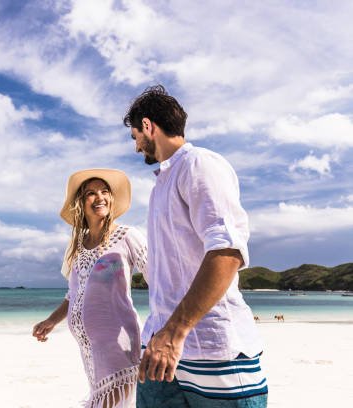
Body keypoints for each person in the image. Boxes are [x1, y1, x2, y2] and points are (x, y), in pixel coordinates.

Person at [123, 85, 268, 407]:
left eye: (135, 137)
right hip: (160, 349)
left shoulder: (199, 164)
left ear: (147, 126)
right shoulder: (161, 184)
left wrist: (175, 333)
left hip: (213, 351)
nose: (136, 147)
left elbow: (227, 251)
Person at [32, 169, 148, 408]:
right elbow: (74, 294)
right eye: (91, 193)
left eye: (105, 191)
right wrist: (51, 321)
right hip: (90, 350)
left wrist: (164, 328)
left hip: (120, 345)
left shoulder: (127, 236)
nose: (100, 197)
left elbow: (158, 278)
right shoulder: (76, 246)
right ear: (80, 203)